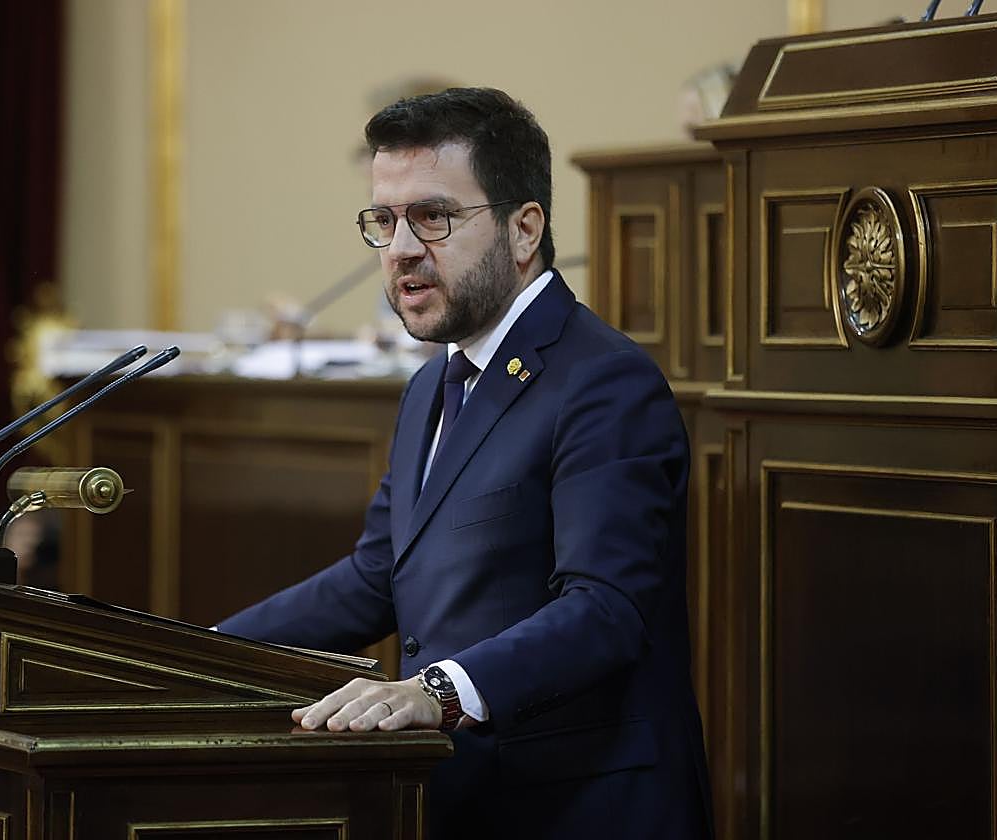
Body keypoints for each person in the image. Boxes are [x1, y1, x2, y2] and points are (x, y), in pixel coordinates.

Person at [214, 87, 712, 839]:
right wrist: (200, 653)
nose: (402, 247)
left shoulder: (603, 381)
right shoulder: (429, 386)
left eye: (434, 217)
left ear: (524, 229)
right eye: (384, 221)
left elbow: (606, 609)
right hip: (457, 800)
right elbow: (378, 575)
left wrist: (437, 691)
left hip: (580, 811)